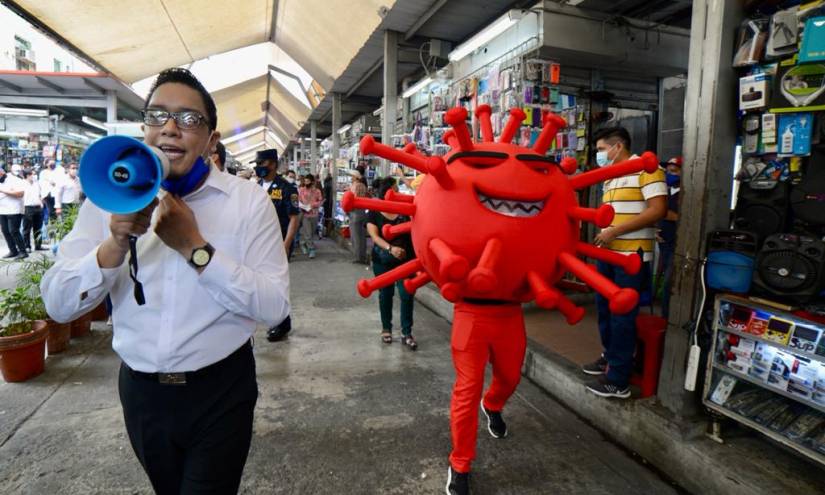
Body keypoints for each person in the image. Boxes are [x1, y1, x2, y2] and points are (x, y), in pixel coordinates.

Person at [41, 67, 290, 494]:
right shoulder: (110, 197)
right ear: (144, 130)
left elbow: (275, 307)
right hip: (142, 395)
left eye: (189, 119)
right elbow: (59, 304)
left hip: (221, 391)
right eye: (158, 115)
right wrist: (113, 248)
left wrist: (195, 249)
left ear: (211, 140)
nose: (171, 128)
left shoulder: (247, 201)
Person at [582, 127, 667, 399]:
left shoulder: (647, 169)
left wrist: (615, 232)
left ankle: (618, 380)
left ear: (618, 147)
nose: (599, 155)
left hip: (632, 256)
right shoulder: (612, 176)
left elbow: (658, 210)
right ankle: (610, 358)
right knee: (604, 309)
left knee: (622, 316)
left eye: (602, 149)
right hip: (608, 253)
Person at [253, 148, 300, 342]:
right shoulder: (255, 186)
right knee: (262, 283)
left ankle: (282, 323)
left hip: (278, 243)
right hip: (258, 244)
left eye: (261, 164)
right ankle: (274, 319)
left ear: (272, 164)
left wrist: (286, 244)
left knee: (277, 283)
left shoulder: (287, 188)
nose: (258, 168)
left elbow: (294, 218)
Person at [366, 177, 417, 350]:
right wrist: (390, 248)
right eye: (395, 189)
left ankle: (406, 332)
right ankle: (386, 328)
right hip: (383, 259)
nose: (399, 192)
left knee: (406, 294)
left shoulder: (404, 210)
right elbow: (374, 236)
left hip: (406, 259)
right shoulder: (374, 211)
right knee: (386, 294)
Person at [657, 157, 681, 318]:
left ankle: (667, 319)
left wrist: (656, 211)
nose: (669, 174)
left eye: (674, 171)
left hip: (677, 244)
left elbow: (676, 217)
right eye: (667, 171)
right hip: (663, 240)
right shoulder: (665, 191)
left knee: (668, 283)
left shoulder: (684, 194)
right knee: (661, 277)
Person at [0, 166, 28, 259]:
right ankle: (13, 251)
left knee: (14, 231)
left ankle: (23, 251)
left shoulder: (15, 180)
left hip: (14, 209)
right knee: (5, 231)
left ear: (2, 172)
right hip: (2, 210)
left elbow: (20, 194)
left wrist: (3, 191)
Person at [297, 173, 323, 259]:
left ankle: (303, 243)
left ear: (312, 181)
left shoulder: (317, 191)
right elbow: (298, 201)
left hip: (314, 214)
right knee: (308, 233)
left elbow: (320, 201)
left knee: (311, 233)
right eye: (305, 181)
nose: (306, 182)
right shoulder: (301, 190)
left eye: (307, 181)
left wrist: (312, 205)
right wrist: (302, 206)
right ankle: (312, 250)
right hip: (305, 214)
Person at [21, 169, 45, 251]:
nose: (34, 176)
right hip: (27, 207)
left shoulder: (36, 184)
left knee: (38, 228)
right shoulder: (22, 184)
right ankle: (27, 246)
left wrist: (41, 204)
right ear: (27, 175)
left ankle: (38, 246)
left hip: (38, 207)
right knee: (27, 228)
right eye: (32, 174)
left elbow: (39, 194)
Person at [349, 166, 369, 264]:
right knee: (361, 235)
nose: (351, 177)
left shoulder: (355, 186)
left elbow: (354, 200)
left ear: (356, 177)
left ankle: (358, 257)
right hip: (362, 211)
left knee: (355, 235)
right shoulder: (363, 185)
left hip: (355, 212)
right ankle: (362, 256)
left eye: (352, 176)